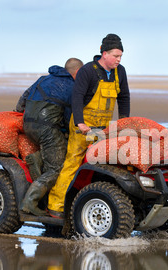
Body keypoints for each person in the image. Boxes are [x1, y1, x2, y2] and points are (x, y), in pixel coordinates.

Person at [47, 34, 130, 215]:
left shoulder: (120, 72)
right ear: (104, 53)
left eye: (120, 56)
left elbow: (124, 97)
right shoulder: (87, 71)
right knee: (73, 162)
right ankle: (56, 205)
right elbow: (76, 97)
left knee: (102, 164)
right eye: (116, 56)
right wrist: (80, 123)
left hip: (103, 127)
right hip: (82, 126)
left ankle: (90, 201)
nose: (119, 59)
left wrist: (124, 120)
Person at [16, 58, 83, 217]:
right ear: (78, 72)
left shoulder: (43, 79)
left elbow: (22, 102)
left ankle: (37, 160)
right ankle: (30, 203)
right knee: (57, 167)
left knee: (53, 154)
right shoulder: (72, 87)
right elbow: (69, 118)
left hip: (28, 126)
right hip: (47, 129)